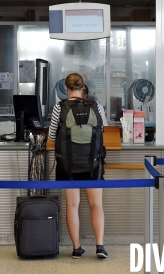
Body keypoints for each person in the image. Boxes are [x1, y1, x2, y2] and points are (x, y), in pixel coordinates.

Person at [48, 73, 108, 259]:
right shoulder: (96, 106)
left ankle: (76, 249)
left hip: (68, 165)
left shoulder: (59, 108)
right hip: (93, 164)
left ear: (66, 89)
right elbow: (103, 130)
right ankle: (99, 247)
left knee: (73, 205)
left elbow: (51, 137)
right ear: (83, 88)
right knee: (96, 204)